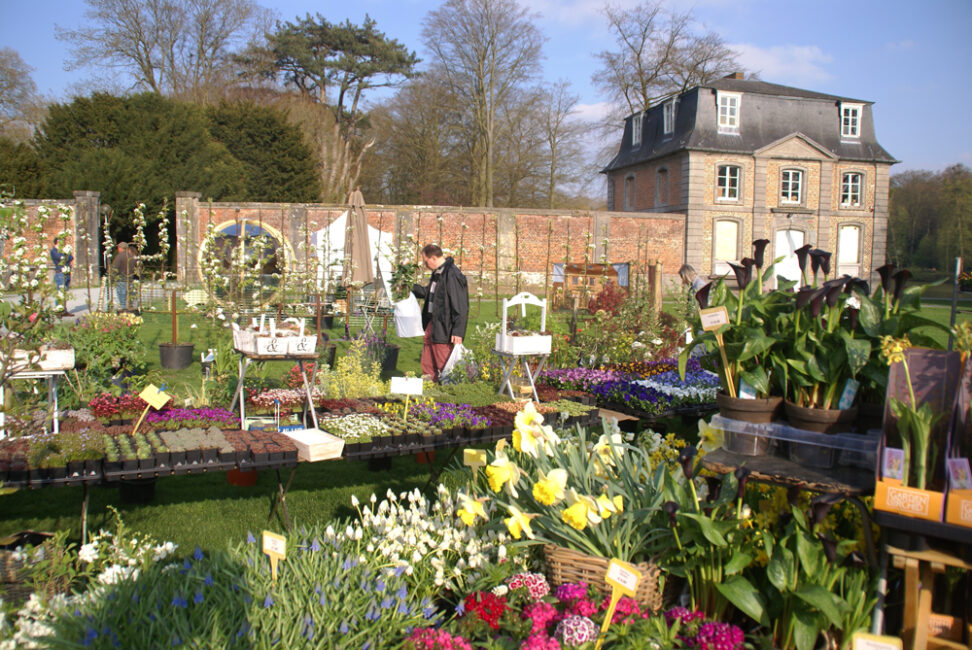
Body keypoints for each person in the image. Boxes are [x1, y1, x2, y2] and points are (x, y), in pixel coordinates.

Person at [411, 244, 469, 382]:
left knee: (443, 361)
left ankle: (450, 394)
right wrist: (409, 286)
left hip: (445, 326)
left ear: (433, 258)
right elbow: (429, 293)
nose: (425, 265)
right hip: (432, 323)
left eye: (425, 261)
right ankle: (429, 389)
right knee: (427, 360)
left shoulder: (452, 274)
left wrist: (458, 331)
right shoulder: (438, 273)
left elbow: (460, 305)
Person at [112, 242, 137, 311]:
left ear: (120, 248)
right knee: (130, 299)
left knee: (123, 300)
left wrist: (112, 278)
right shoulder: (132, 256)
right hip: (131, 280)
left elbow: (115, 268)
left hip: (121, 280)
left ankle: (124, 314)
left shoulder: (119, 256)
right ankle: (131, 312)